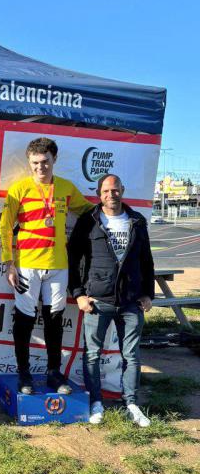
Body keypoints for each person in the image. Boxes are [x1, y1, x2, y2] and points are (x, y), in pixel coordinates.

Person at [0, 137, 93, 395]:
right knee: (24, 321)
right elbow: (6, 227)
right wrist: (9, 263)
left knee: (54, 320)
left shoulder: (66, 188)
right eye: (35, 163)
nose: (40, 168)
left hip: (58, 266)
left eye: (45, 162)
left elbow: (87, 211)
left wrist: (113, 211)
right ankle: (24, 373)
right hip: (27, 266)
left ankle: (53, 372)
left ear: (54, 160)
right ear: (29, 163)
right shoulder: (19, 189)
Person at [68, 174, 154, 427]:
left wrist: (148, 293)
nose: (111, 195)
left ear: (122, 190)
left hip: (131, 301)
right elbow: (73, 260)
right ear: (99, 193)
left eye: (115, 190)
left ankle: (131, 404)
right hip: (97, 300)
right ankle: (96, 402)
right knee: (92, 355)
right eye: (106, 191)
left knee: (132, 355)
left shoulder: (137, 221)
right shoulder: (88, 221)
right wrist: (78, 294)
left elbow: (146, 260)